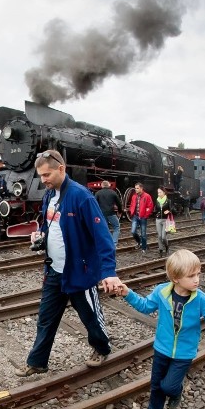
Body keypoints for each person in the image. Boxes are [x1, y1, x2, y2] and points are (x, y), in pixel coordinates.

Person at [22, 150, 124, 376]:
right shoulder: (49, 195)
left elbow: (102, 236)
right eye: (40, 176)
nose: (43, 180)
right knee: (45, 318)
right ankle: (37, 361)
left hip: (80, 271)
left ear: (61, 168)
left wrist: (108, 271)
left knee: (90, 317)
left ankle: (101, 348)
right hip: (55, 271)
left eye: (47, 175)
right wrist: (39, 234)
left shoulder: (82, 196)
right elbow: (50, 225)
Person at [118, 250, 205, 409]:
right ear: (176, 278)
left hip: (184, 353)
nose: (196, 280)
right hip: (162, 348)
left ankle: (176, 392)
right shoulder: (161, 292)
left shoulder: (201, 299)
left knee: (169, 386)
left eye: (198, 274)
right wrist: (128, 293)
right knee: (156, 384)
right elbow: (145, 306)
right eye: (191, 276)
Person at [94, 180, 124, 246]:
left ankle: (107, 242)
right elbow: (119, 203)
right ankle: (114, 243)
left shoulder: (98, 193)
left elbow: (94, 204)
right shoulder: (113, 193)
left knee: (105, 228)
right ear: (109, 185)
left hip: (102, 214)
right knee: (116, 227)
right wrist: (119, 211)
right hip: (111, 213)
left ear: (102, 185)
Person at [128, 182, 154, 254]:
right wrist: (131, 211)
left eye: (137, 188)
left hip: (143, 217)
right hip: (135, 216)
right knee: (133, 231)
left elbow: (150, 206)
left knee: (143, 233)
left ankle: (144, 248)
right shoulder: (134, 196)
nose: (136, 189)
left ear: (141, 188)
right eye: (135, 188)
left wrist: (146, 215)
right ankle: (139, 242)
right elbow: (132, 205)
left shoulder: (147, 196)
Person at [153, 188, 172, 256]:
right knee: (159, 236)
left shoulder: (168, 201)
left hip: (165, 220)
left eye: (160, 192)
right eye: (158, 193)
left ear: (164, 193)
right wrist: (155, 212)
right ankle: (160, 249)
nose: (159, 194)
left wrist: (169, 211)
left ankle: (166, 246)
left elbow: (171, 209)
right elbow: (155, 209)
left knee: (163, 237)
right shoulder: (157, 201)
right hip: (158, 220)